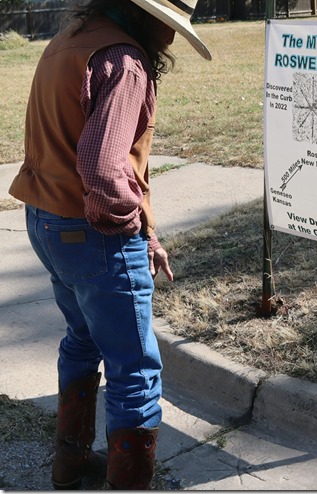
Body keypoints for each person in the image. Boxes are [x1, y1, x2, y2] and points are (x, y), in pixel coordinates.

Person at [9, 0, 211, 489]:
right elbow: (103, 169)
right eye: (168, 26)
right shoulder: (125, 61)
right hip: (91, 231)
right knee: (136, 370)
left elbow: (114, 162)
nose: (169, 38)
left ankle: (71, 463)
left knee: (82, 340)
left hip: (45, 221)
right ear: (144, 15)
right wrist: (128, 233)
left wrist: (150, 230)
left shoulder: (70, 39)